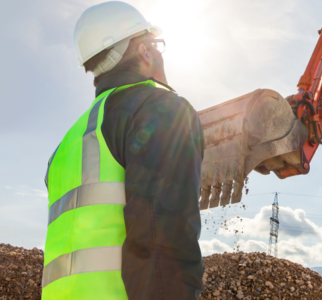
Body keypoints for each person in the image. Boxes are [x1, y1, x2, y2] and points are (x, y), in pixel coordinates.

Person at [42, 2, 204, 299]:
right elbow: (162, 240)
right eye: (156, 45)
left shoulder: (67, 144)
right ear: (144, 51)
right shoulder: (158, 109)